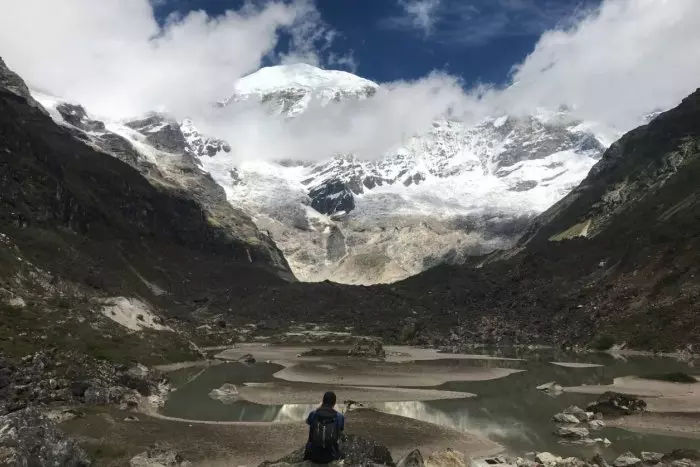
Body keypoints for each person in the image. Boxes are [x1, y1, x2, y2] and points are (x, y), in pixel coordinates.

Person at [304, 391, 345, 463]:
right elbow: (340, 429)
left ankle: (307, 455)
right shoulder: (339, 416)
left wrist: (319, 408)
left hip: (313, 455)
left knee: (311, 433)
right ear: (334, 403)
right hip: (331, 456)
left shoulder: (313, 413)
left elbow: (308, 421)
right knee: (342, 437)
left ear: (323, 401)